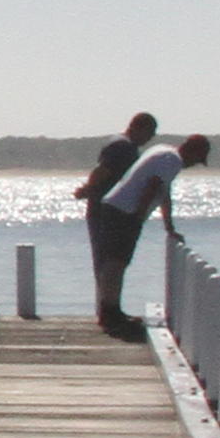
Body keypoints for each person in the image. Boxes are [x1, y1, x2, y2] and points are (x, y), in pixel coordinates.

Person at [91, 128, 211, 335]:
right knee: (115, 263)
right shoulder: (172, 161)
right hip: (124, 211)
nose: (194, 165)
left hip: (115, 206)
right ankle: (109, 313)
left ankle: (112, 310)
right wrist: (138, 216)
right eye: (198, 159)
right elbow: (153, 186)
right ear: (193, 152)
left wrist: (169, 227)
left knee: (116, 262)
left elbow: (164, 194)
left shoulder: (162, 150)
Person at [79, 112, 156, 326]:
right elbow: (101, 171)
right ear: (137, 128)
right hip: (105, 210)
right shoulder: (123, 147)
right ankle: (109, 312)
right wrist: (88, 189)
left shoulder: (121, 144)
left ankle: (110, 310)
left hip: (105, 207)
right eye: (149, 134)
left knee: (107, 260)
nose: (149, 139)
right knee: (110, 261)